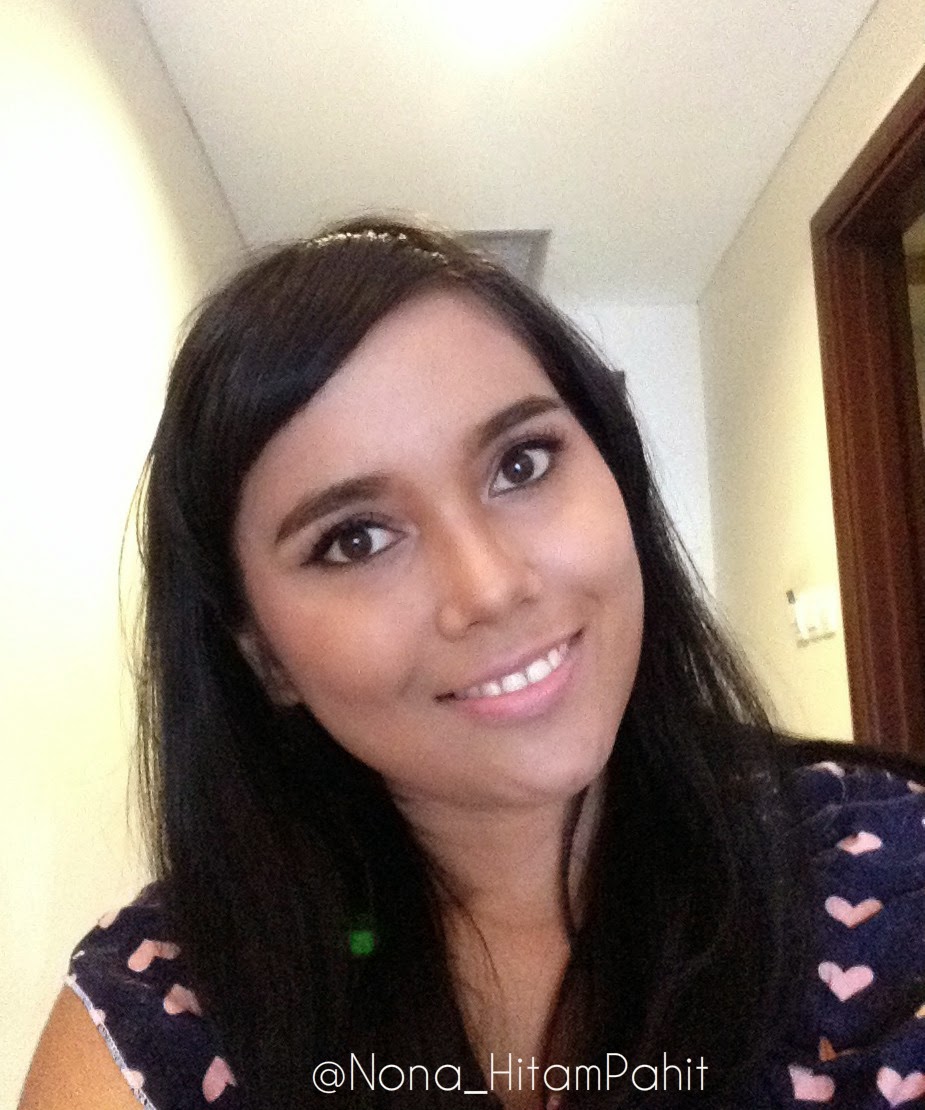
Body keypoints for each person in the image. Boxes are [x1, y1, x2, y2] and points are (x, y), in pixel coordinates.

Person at [19, 218, 925, 1110]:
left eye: (521, 464)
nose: (489, 587)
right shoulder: (166, 1006)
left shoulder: (885, 872)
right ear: (263, 656)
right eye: (355, 538)